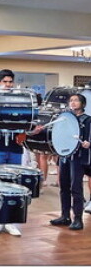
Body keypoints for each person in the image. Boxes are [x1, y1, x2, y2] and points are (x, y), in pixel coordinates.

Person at [0, 69, 23, 236]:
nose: (8, 85)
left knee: (13, 185)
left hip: (15, 146)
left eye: (10, 82)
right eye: (5, 82)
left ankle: (9, 221)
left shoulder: (20, 99)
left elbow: (26, 122)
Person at [50, 94, 90, 230]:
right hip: (65, 156)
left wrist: (88, 143)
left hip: (78, 157)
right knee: (64, 186)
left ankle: (78, 218)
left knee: (76, 188)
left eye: (76, 100)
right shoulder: (65, 119)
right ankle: (65, 216)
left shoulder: (88, 120)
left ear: (83, 104)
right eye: (71, 100)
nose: (73, 103)